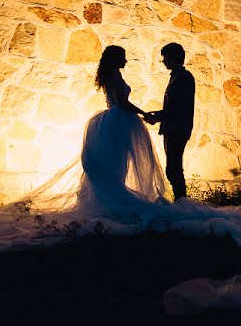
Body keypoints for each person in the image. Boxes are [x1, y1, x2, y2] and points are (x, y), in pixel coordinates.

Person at [77, 45, 166, 210]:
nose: (125, 60)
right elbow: (122, 102)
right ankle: (116, 202)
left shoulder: (109, 75)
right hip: (118, 119)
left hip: (113, 119)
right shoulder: (114, 74)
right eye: (123, 57)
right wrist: (143, 113)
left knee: (114, 162)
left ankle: (110, 201)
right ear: (116, 58)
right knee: (119, 161)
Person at [144, 42, 195, 200]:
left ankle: (181, 202)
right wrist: (158, 116)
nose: (164, 61)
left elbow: (179, 107)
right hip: (172, 127)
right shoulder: (177, 77)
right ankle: (180, 201)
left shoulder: (184, 78)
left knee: (174, 169)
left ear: (176, 58)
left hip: (178, 129)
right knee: (173, 168)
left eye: (166, 58)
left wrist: (158, 116)